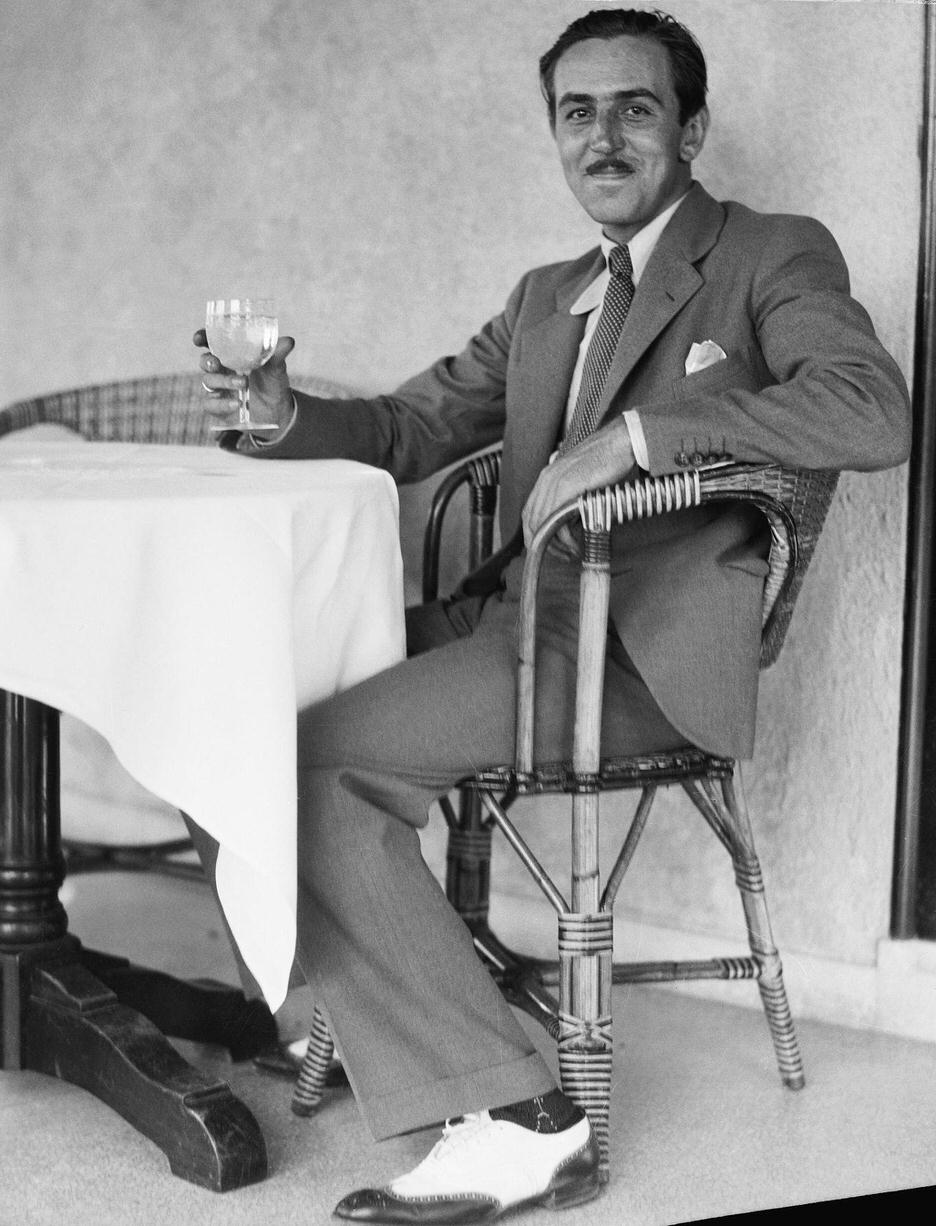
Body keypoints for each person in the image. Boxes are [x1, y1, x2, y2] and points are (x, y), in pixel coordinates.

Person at [192, 7, 911, 1225]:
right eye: (575, 112)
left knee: (310, 763)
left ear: (689, 127)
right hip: (516, 632)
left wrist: (643, 435)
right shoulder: (545, 298)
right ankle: (376, 1012)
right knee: (218, 709)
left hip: (629, 659)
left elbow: (867, 408)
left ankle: (526, 1121)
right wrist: (274, 409)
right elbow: (405, 428)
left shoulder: (769, 253)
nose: (602, 136)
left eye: (634, 107)